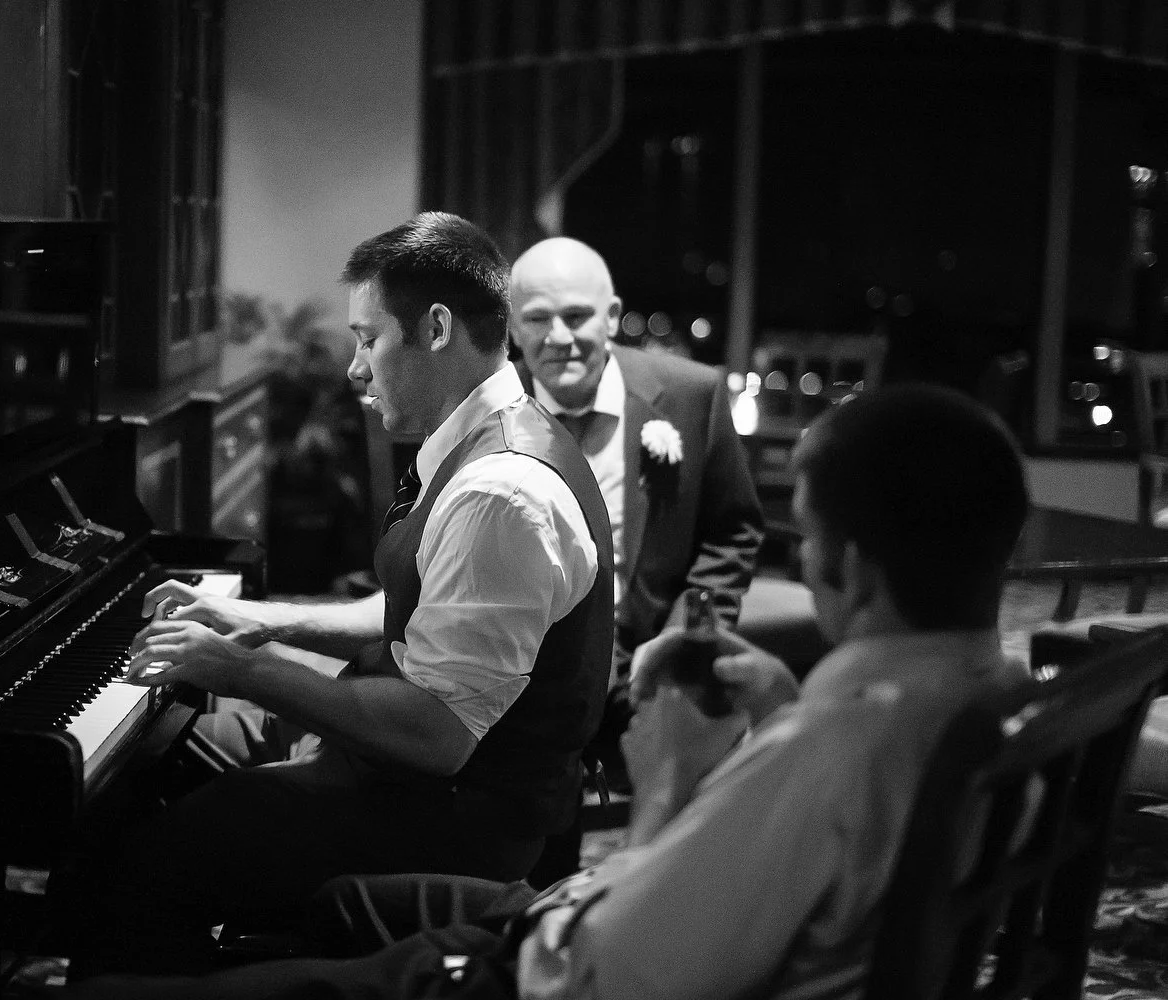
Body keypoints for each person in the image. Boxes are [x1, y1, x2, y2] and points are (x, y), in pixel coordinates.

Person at [51, 382, 1034, 1000]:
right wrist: (781, 706)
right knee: (349, 902)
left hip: (544, 964)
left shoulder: (831, 754)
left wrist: (664, 783)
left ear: (852, 571)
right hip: (573, 901)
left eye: (807, 541)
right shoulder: (988, 696)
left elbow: (604, 971)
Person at [60, 211, 615, 976]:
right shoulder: (486, 439)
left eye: (368, 338)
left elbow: (435, 734)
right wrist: (248, 619)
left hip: (451, 818)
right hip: (407, 773)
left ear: (438, 329)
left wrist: (238, 667)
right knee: (165, 755)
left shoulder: (502, 492)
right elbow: (410, 612)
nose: (354, 367)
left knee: (152, 857)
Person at [508, 236, 764, 768]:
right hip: (517, 671)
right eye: (537, 319)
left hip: (651, 660)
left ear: (611, 316)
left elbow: (732, 533)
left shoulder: (693, 394)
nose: (559, 338)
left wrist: (680, 643)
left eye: (577, 316)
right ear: (511, 326)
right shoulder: (488, 408)